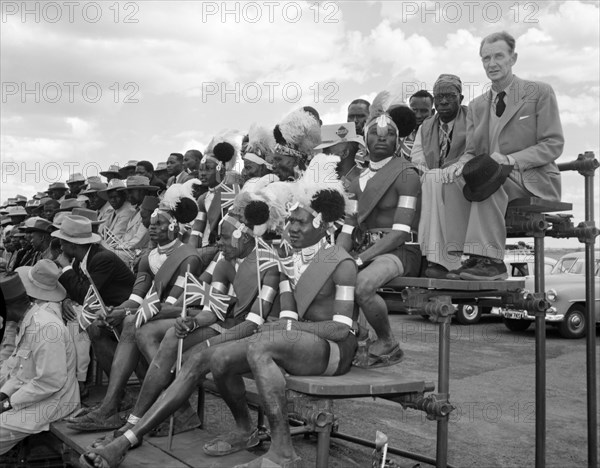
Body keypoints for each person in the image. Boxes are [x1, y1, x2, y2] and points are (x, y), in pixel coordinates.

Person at [80, 155, 353, 468]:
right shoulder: (281, 257)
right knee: (209, 358)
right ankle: (132, 435)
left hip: (330, 348)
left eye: (299, 222)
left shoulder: (340, 262)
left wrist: (285, 328)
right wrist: (195, 321)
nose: (289, 227)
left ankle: (282, 453)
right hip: (284, 338)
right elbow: (244, 307)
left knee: (253, 344)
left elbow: (341, 329)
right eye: (290, 220)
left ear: (325, 225)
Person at [423, 31, 564, 280]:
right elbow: (471, 152)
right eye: (486, 58)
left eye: (499, 56)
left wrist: (511, 160)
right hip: (496, 175)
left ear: (513, 58)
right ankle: (464, 257)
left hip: (533, 177)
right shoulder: (477, 106)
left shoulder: (540, 92)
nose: (492, 63)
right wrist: (461, 164)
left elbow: (553, 144)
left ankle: (492, 263)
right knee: (453, 180)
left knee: (489, 181)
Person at [67, 185, 202, 432]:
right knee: (100, 326)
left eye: (160, 223)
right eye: (151, 222)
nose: (152, 227)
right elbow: (137, 297)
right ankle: (117, 402)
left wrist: (128, 313)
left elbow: (175, 305)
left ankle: (119, 408)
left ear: (174, 226)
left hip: (186, 317)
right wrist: (117, 310)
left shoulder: (188, 258)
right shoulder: (148, 257)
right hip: (156, 314)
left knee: (131, 323)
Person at [337, 92, 420, 368]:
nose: (381, 137)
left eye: (388, 133)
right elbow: (348, 229)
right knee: (332, 278)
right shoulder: (355, 180)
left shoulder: (407, 174)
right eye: (375, 132)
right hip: (365, 250)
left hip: (399, 253)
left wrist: (358, 260)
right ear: (365, 139)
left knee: (362, 285)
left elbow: (401, 232)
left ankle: (387, 342)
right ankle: (354, 338)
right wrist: (335, 259)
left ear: (397, 141)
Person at [0, 262, 79, 454]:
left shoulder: (45, 328)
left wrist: (7, 403)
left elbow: (49, 382)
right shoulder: (28, 321)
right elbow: (20, 372)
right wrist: (3, 395)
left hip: (55, 402)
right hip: (35, 396)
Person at [54, 215, 135, 379]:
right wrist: (66, 300)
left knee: (93, 329)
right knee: (67, 317)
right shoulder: (80, 260)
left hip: (125, 310)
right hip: (106, 309)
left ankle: (114, 389)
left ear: (74, 244)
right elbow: (75, 290)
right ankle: (76, 380)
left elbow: (85, 295)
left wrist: (65, 268)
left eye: (63, 242)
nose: (60, 247)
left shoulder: (102, 259)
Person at [412, 75, 469, 276]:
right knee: (432, 180)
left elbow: (479, 151)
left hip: (464, 179)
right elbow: (417, 157)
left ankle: (446, 262)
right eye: (439, 97)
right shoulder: (426, 126)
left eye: (449, 96)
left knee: (435, 181)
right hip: (432, 178)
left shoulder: (473, 119)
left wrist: (454, 170)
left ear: (460, 98)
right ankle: (434, 259)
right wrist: (432, 172)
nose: (443, 101)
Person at [272, 108, 321, 182]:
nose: (273, 166)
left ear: (296, 161)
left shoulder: (317, 186)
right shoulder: (273, 189)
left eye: (278, 160)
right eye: (273, 160)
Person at [314, 121, 365, 191]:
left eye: (327, 151)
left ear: (344, 153)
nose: (322, 155)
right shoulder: (327, 180)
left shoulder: (362, 182)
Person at [97, 179, 136, 244]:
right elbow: (101, 231)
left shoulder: (127, 211)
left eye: (116, 197)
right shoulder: (114, 210)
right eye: (110, 198)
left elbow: (116, 237)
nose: (113, 200)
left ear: (124, 196)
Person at [403, 89, 435, 159]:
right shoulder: (399, 133)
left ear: (432, 112)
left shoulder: (438, 136)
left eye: (424, 111)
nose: (418, 116)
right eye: (414, 110)